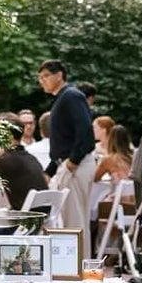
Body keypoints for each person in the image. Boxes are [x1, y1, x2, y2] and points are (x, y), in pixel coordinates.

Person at [38, 59, 97, 231]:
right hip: (67, 164)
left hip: (75, 166)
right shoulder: (64, 97)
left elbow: (85, 131)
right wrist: (50, 170)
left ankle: (79, 258)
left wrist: (73, 161)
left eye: (46, 76)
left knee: (74, 222)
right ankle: (78, 257)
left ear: (59, 75)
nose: (42, 80)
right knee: (69, 220)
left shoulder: (71, 95)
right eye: (40, 78)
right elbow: (64, 140)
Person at [0, 117, 49, 209]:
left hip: (24, 216)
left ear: (8, 136)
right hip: (43, 212)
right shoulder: (31, 158)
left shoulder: (5, 160)